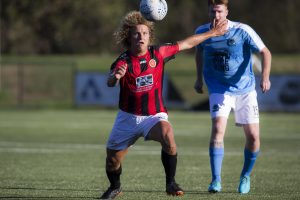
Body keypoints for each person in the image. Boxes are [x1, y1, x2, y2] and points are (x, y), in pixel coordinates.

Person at [100, 10, 226, 199]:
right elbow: (110, 81)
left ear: (149, 36)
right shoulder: (123, 61)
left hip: (154, 115)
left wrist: (212, 33)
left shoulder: (158, 53)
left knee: (167, 134)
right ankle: (115, 187)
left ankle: (171, 183)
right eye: (136, 33)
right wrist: (115, 77)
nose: (141, 37)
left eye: (144, 33)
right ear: (129, 36)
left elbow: (187, 43)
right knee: (112, 161)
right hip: (128, 117)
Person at [194, 0, 272, 194]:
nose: (216, 15)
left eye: (219, 11)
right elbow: (198, 52)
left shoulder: (242, 30)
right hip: (219, 88)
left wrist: (265, 77)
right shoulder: (202, 32)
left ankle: (245, 175)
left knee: (253, 137)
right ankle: (216, 180)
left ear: (226, 11)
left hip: (245, 90)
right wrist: (198, 79)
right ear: (209, 11)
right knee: (218, 130)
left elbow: (265, 52)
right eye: (213, 11)